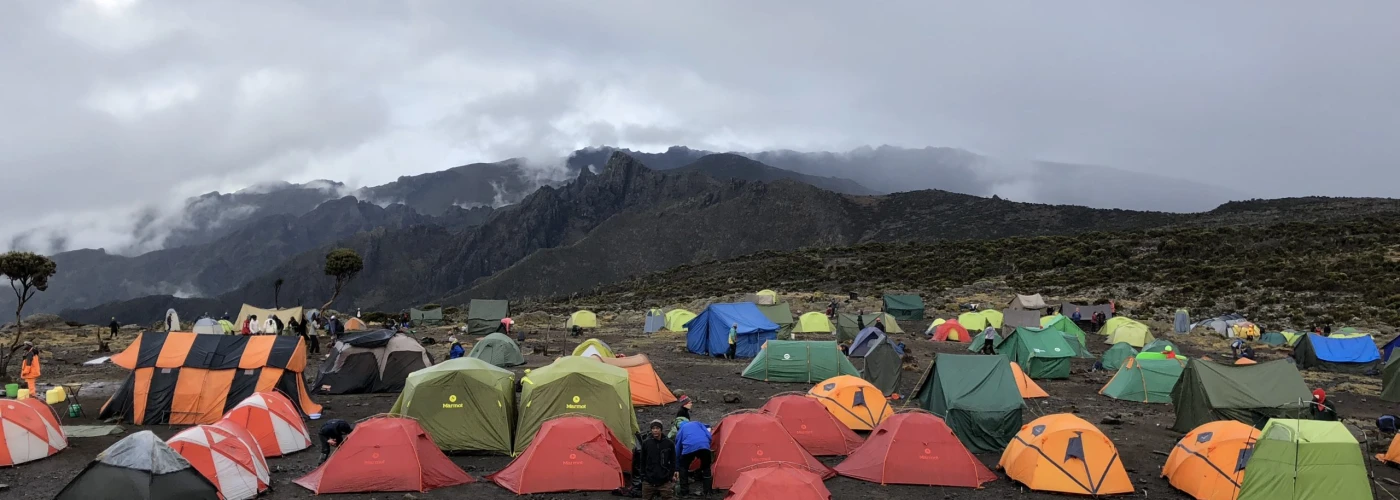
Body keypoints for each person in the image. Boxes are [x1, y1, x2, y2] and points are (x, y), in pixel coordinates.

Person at [673, 418, 713, 496]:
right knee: (706, 467)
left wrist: (677, 467)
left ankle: (684, 492)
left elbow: (677, 449)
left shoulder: (681, 429)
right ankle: (707, 492)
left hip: (689, 447)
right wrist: (706, 444)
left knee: (683, 467)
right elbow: (709, 435)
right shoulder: (698, 423)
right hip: (704, 445)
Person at [637, 420, 675, 499]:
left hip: (664, 480)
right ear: (651, 430)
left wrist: (670, 476)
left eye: (657, 428)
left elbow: (673, 460)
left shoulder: (669, 443)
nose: (655, 430)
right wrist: (643, 477)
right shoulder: (646, 443)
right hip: (648, 480)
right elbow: (642, 461)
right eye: (653, 428)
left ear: (661, 429)